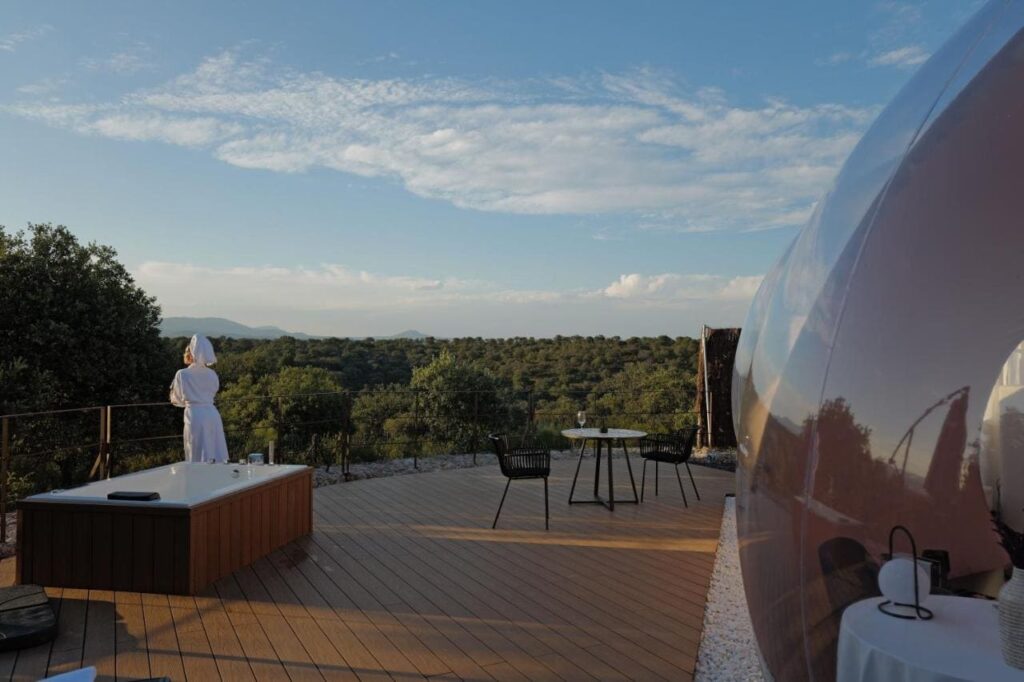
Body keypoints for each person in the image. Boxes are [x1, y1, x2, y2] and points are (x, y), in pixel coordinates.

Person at [170, 335, 230, 463]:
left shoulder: (182, 374)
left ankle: (197, 479)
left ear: (190, 353)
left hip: (195, 415)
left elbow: (177, 399)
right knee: (214, 449)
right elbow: (213, 391)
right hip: (212, 414)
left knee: (195, 449)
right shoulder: (212, 374)